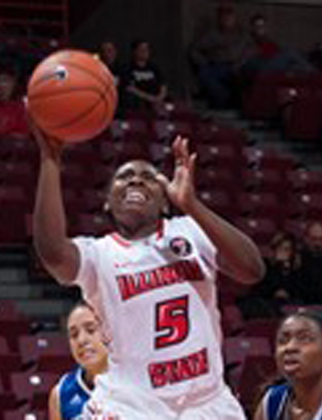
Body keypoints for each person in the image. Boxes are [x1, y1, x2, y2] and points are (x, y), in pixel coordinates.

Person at [32, 112, 265, 419]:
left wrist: (192, 205)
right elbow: (52, 253)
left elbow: (252, 270)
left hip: (207, 403)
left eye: (149, 177)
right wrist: (50, 161)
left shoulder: (191, 230)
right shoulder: (99, 255)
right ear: (107, 202)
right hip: (131, 405)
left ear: (165, 201)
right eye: (124, 176)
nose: (136, 179)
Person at [49, 303, 109, 420]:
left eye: (91, 330)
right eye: (74, 335)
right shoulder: (61, 394)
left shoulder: (134, 381)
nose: (81, 340)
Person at [190, 5, 250, 109]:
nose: (227, 19)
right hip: (217, 65)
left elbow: (250, 51)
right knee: (204, 74)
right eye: (224, 17)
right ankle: (225, 101)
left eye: (229, 16)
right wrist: (204, 62)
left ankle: (235, 103)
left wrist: (241, 63)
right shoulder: (212, 34)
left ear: (234, 18)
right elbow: (194, 50)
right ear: (219, 19)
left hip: (238, 66)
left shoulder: (242, 33)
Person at [238, 232, 306, 319]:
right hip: (268, 301)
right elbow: (261, 289)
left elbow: (299, 290)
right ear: (274, 250)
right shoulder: (266, 265)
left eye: (287, 249)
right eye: (280, 248)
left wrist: (286, 271)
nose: (283, 252)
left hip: (289, 302)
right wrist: (277, 267)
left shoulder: (296, 268)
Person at [242, 14, 314, 77]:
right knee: (289, 51)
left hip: (276, 65)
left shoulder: (267, 40)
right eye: (258, 26)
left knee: (296, 65)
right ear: (253, 27)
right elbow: (247, 59)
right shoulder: (251, 41)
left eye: (263, 26)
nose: (261, 28)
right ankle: (316, 73)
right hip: (264, 67)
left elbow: (278, 52)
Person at [122, 39, 168, 111]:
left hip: (156, 98)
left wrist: (160, 97)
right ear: (134, 51)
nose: (145, 52)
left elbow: (163, 84)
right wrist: (150, 98)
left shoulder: (154, 67)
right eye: (141, 49)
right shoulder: (128, 67)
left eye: (146, 49)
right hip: (140, 99)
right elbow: (130, 88)